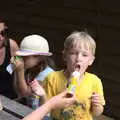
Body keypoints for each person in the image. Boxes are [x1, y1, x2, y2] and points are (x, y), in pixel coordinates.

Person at [43, 31, 105, 120]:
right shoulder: (52, 78)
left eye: (84, 55)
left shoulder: (94, 81)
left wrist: (97, 106)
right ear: (65, 56)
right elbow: (45, 108)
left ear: (91, 60)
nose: (78, 58)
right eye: (73, 53)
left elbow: (97, 113)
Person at [12, 34, 55, 110]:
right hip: (29, 110)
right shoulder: (30, 69)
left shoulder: (47, 74)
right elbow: (18, 92)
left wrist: (20, 71)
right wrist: (16, 70)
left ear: (39, 57)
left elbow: (25, 93)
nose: (21, 59)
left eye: (24, 57)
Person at [0, 20, 19, 99]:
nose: (1, 38)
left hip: (9, 99)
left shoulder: (12, 46)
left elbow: (19, 71)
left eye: (3, 33)